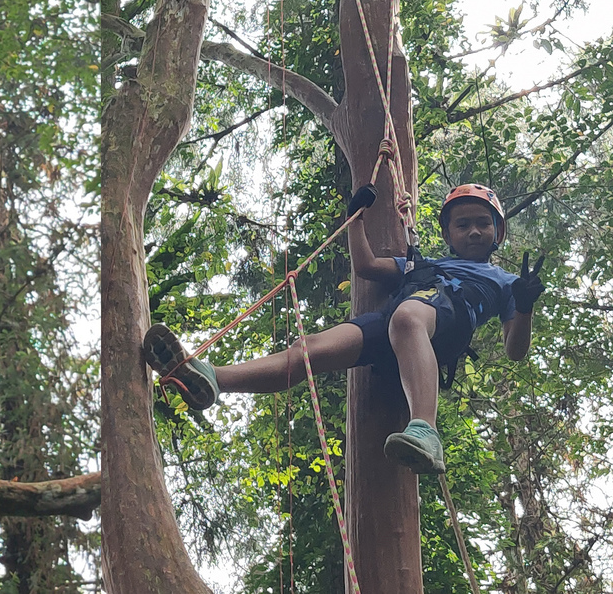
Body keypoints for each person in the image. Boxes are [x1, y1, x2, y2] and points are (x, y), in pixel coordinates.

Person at [144, 183, 545, 474]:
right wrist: (357, 218)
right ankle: (213, 379)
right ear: (448, 234)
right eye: (463, 225)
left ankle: (426, 431)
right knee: (311, 348)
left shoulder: (507, 280)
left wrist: (524, 306)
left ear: (498, 232)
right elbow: (367, 265)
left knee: (409, 316)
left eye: (482, 224)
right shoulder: (423, 265)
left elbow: (515, 349)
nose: (474, 231)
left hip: (446, 320)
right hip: (397, 321)